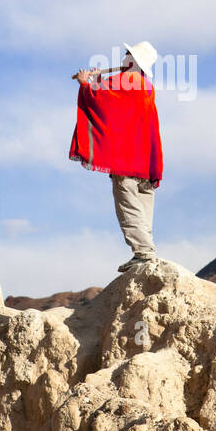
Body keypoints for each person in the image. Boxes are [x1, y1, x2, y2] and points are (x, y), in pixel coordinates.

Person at [69, 41, 163, 271]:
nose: (123, 58)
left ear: (132, 61)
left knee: (128, 205)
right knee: (142, 208)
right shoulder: (147, 87)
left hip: (126, 160)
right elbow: (118, 102)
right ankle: (145, 250)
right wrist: (97, 79)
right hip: (145, 160)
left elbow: (99, 99)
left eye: (127, 54)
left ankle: (144, 253)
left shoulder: (126, 81)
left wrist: (84, 82)